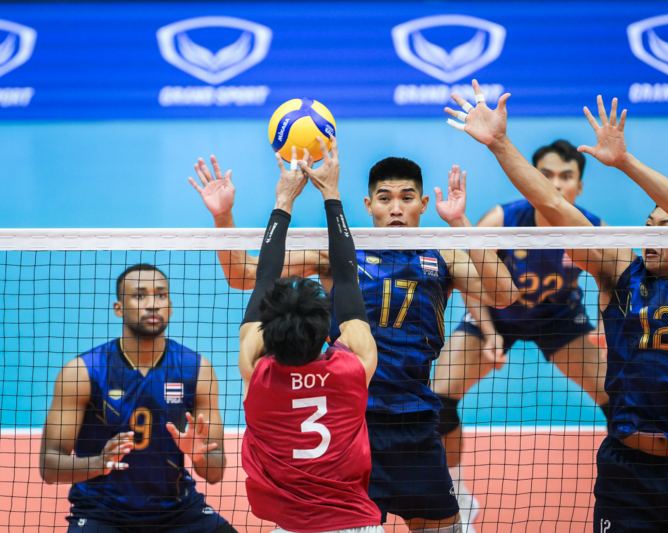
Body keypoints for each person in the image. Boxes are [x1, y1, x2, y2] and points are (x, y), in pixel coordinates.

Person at [446, 80, 668, 533]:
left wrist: (624, 162)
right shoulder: (619, 273)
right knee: (442, 395)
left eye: (666, 227)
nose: (652, 233)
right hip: (625, 472)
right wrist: (500, 143)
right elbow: (550, 203)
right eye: (648, 225)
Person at [189, 144, 517, 531]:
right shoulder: (339, 254)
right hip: (349, 426)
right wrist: (223, 216)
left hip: (415, 422)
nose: (396, 208)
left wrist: (460, 222)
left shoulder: (444, 256)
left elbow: (504, 294)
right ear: (368, 205)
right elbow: (244, 274)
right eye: (385, 198)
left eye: (407, 198)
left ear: (424, 203)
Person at [429, 140, 610, 532]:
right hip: (497, 314)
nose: (555, 184)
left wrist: (604, 326)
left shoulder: (592, 228)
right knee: (438, 399)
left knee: (618, 398)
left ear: (579, 185)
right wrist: (488, 331)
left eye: (566, 176)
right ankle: (456, 493)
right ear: (529, 179)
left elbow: (612, 279)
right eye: (545, 175)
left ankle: (626, 484)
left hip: (559, 318)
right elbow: (468, 275)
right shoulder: (502, 220)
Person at [238, 140, 384, 533]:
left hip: (291, 526)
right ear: (326, 329)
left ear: (267, 331)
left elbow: (265, 278)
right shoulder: (354, 367)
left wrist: (283, 198)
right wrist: (330, 193)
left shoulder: (257, 373)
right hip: (356, 525)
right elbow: (347, 277)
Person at [39, 264, 233, 533]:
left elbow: (215, 473)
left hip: (179, 511)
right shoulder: (82, 372)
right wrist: (98, 463)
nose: (153, 304)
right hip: (102, 514)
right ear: (118, 308)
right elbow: (49, 466)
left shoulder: (196, 369)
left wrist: (198, 454)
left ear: (170, 306)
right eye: (140, 295)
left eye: (161, 295)